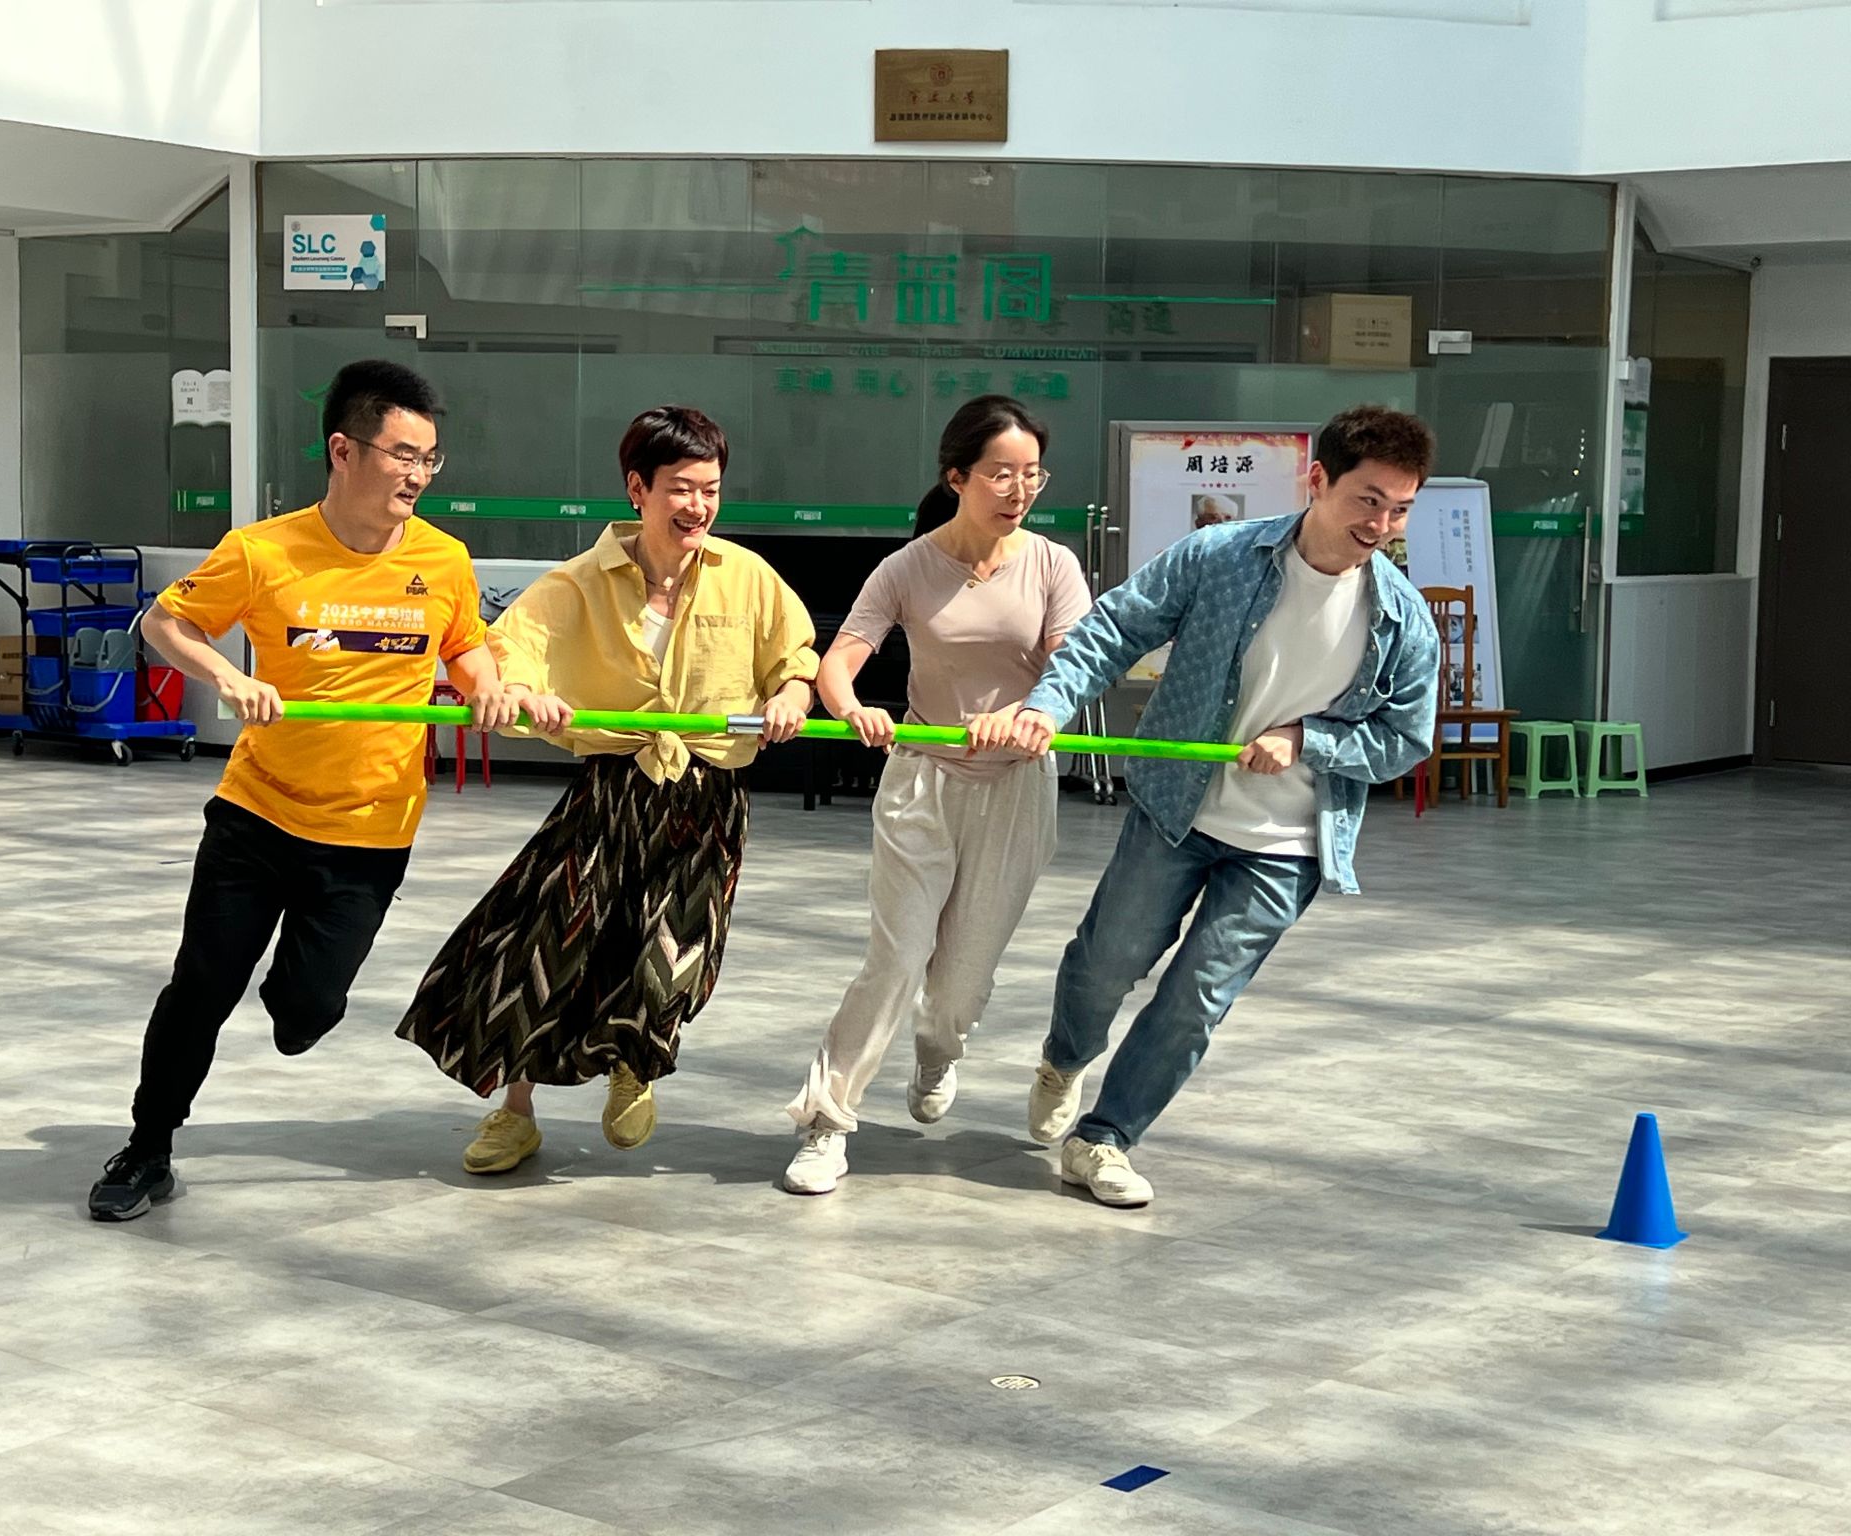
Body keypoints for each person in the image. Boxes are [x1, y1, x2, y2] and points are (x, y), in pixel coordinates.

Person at [88, 360, 524, 1221]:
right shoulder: (263, 551)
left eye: (429, 459)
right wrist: (228, 676)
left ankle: (295, 1001)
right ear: (343, 450)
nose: (418, 475)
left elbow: (465, 645)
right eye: (402, 455)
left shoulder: (443, 560)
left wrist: (489, 688)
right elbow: (166, 621)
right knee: (201, 986)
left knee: (306, 1011)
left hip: (371, 829)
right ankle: (147, 1148)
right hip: (257, 814)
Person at [1009, 404, 1442, 1207]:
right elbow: (1112, 630)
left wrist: (1308, 739)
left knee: (1197, 997)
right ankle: (1064, 1057)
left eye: (1401, 509)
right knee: (1108, 962)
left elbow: (1405, 738)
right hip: (1179, 810)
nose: (1381, 525)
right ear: (1319, 480)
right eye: (1368, 500)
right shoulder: (1219, 556)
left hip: (1288, 843)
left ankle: (1104, 1138)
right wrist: (1049, 704)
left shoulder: (1401, 619)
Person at [397, 405, 818, 1175]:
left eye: (710, 489)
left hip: (707, 796)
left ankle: (633, 1064)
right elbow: (511, 651)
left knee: (672, 949)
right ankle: (515, 1113)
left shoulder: (748, 577)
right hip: (611, 791)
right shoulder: (578, 582)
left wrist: (791, 695)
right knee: (546, 945)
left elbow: (794, 661)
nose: (698, 506)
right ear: (637, 489)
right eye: (681, 488)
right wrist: (524, 693)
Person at [781, 396, 1091, 1195]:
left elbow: (1070, 665)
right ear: (957, 477)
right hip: (921, 776)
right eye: (1001, 474)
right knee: (895, 958)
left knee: (959, 982)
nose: (1019, 490)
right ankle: (826, 1121)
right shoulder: (908, 568)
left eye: (1032, 474)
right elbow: (839, 660)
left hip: (1016, 786)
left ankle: (938, 1048)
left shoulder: (1053, 565)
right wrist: (851, 708)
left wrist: (1027, 715)